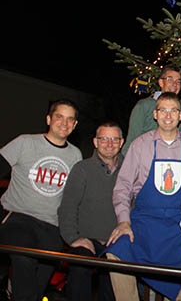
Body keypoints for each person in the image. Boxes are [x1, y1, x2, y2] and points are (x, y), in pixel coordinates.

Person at [105, 92, 181, 301]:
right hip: (145, 221)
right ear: (155, 114)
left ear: (180, 116)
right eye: (163, 110)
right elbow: (123, 187)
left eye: (173, 110)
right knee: (117, 249)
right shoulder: (139, 145)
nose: (168, 115)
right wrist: (124, 221)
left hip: (180, 224)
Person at [0, 99, 82, 301]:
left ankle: (13, 289)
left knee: (41, 277)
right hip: (18, 218)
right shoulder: (25, 142)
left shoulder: (75, 155)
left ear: (75, 125)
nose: (64, 123)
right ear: (48, 119)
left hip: (51, 226)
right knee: (24, 257)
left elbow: (74, 198)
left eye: (70, 119)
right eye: (59, 117)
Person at [58, 122, 125, 301]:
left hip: (118, 240)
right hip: (88, 240)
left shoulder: (130, 169)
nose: (109, 144)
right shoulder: (82, 169)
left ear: (122, 142)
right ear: (95, 142)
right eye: (104, 139)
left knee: (114, 285)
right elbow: (68, 206)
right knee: (80, 269)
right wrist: (73, 238)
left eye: (114, 139)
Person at [122, 65, 181, 155]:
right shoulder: (144, 106)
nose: (174, 84)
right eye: (169, 79)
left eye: (178, 81)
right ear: (161, 82)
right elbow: (132, 141)